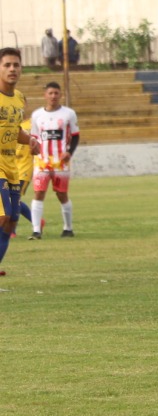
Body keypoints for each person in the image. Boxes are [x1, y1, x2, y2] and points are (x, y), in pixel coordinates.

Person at [0, 48, 37, 274]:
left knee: (12, 220)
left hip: (11, 165)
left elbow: (14, 131)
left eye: (16, 65)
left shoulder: (19, 98)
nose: (12, 69)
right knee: (3, 216)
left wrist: (31, 140)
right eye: (7, 65)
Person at [29, 81, 80, 238]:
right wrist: (32, 148)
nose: (53, 96)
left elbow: (76, 136)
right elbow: (34, 136)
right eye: (50, 93)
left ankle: (68, 228)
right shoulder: (37, 115)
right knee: (38, 193)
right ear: (45, 95)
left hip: (60, 162)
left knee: (62, 194)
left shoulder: (68, 114)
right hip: (41, 162)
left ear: (60, 95)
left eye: (56, 93)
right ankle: (36, 230)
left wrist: (69, 152)